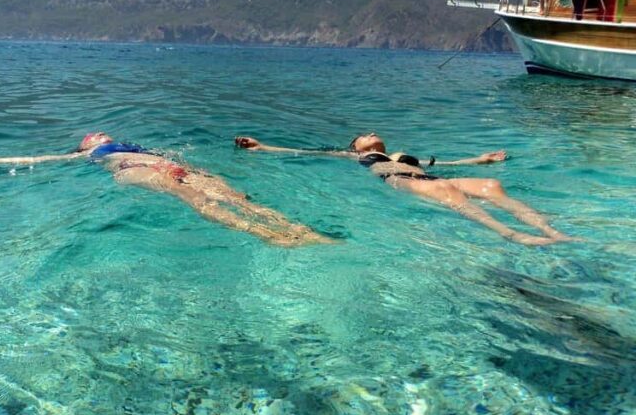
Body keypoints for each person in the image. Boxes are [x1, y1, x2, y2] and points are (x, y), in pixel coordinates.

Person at [0, 132, 332, 247]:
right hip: (135, 172)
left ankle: (300, 231)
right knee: (193, 198)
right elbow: (38, 159)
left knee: (237, 196)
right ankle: (268, 235)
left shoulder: (132, 144)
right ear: (84, 146)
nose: (97, 134)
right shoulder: (91, 155)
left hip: (170, 165)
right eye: (90, 136)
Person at [234, 134, 574, 246]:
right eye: (362, 135)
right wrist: (262, 147)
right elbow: (302, 153)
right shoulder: (359, 156)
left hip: (424, 176)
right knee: (451, 195)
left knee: (491, 185)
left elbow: (447, 164)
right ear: (356, 147)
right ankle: (513, 235)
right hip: (401, 181)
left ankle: (548, 229)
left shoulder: (404, 154)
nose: (370, 133)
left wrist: (482, 160)